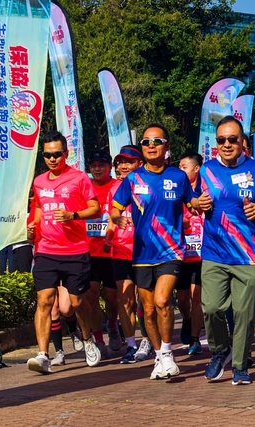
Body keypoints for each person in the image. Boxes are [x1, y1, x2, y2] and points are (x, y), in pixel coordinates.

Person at [195, 116, 255, 385]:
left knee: (244, 315)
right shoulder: (207, 170)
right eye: (221, 140)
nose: (226, 144)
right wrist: (198, 203)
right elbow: (196, 201)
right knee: (212, 308)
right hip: (214, 252)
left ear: (242, 142)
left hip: (249, 255)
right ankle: (219, 351)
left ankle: (239, 365)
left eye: (232, 139)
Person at [111, 124, 194, 380]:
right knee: (147, 310)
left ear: (167, 146)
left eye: (156, 141)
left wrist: (202, 203)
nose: (151, 146)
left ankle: (167, 353)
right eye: (146, 142)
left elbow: (192, 202)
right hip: (142, 254)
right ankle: (158, 355)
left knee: (162, 301)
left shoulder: (178, 177)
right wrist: (116, 218)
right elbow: (115, 207)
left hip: (171, 251)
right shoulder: (133, 179)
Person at [26, 130, 101, 374]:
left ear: (66, 154)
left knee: (77, 302)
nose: (52, 159)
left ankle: (87, 339)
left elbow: (96, 208)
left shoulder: (79, 178)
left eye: (57, 154)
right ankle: (43, 355)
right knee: (44, 301)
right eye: (47, 155)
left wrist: (73, 215)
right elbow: (39, 207)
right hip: (46, 250)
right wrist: (33, 228)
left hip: (75, 250)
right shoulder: (39, 181)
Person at [105, 145, 152, 364]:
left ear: (140, 164)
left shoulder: (150, 184)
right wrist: (109, 236)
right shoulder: (114, 189)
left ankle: (149, 340)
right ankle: (132, 345)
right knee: (125, 300)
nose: (124, 166)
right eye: (121, 162)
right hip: (121, 251)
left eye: (129, 161)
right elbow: (111, 217)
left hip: (146, 251)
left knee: (146, 302)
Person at [86, 150, 121, 357]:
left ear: (109, 167)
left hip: (112, 251)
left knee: (111, 297)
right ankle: (98, 339)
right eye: (93, 165)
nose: (97, 169)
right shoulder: (85, 186)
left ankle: (113, 325)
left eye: (101, 165)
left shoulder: (118, 186)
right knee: (91, 296)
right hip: (89, 251)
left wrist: (112, 235)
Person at [177, 150, 205, 355]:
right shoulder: (175, 191)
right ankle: (186, 320)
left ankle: (195, 338)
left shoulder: (205, 192)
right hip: (180, 254)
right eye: (179, 167)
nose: (180, 171)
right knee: (182, 299)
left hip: (201, 255)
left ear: (196, 169)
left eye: (184, 167)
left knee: (197, 297)